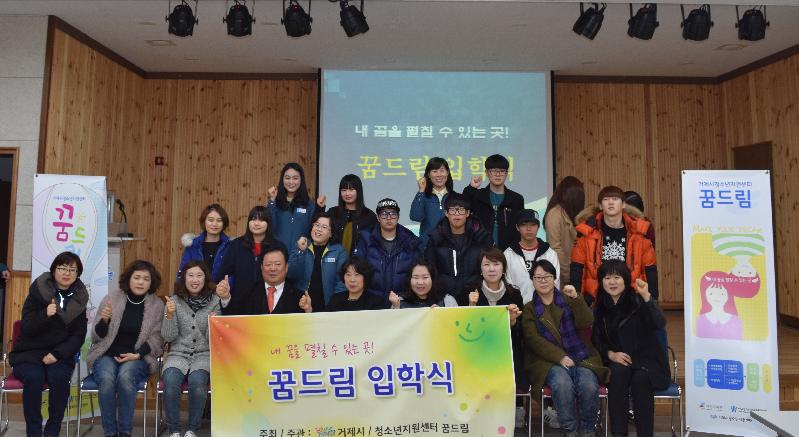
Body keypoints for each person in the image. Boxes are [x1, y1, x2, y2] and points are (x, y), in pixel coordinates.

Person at [522, 260, 608, 437]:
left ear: (554, 278)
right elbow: (533, 340)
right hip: (547, 361)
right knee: (562, 384)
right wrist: (560, 357)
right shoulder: (529, 309)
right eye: (538, 277)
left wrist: (577, 299)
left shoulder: (569, 299)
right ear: (532, 280)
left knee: (589, 385)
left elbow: (586, 322)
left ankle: (587, 430)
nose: (543, 281)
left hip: (579, 356)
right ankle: (570, 430)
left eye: (547, 276)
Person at [10, 252, 88, 437]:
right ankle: (34, 432)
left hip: (59, 355)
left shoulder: (79, 299)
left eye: (72, 270)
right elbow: (27, 327)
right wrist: (44, 314)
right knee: (34, 377)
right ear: (54, 270)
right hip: (29, 353)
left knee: (59, 377)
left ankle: (53, 430)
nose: (67, 273)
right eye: (62, 268)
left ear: (77, 274)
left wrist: (57, 354)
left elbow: (78, 336)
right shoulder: (38, 292)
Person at [592, 260, 669, 437]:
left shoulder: (637, 300)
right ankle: (619, 433)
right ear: (601, 281)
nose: (612, 282)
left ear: (625, 279)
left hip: (646, 359)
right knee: (617, 372)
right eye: (607, 278)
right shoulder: (600, 307)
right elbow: (597, 339)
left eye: (617, 277)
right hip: (619, 359)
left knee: (640, 379)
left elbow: (659, 323)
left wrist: (647, 297)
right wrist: (610, 354)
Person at [88, 260, 165, 437]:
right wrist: (104, 321)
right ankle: (110, 432)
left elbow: (158, 338)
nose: (140, 282)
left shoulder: (157, 305)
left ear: (151, 282)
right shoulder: (112, 298)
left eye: (146, 279)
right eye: (137, 277)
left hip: (138, 357)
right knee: (106, 379)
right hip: (107, 354)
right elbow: (96, 336)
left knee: (125, 377)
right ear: (129, 279)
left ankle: (125, 432)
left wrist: (137, 355)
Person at [161, 261, 220, 437]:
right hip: (177, 354)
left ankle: (192, 429)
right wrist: (169, 315)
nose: (195, 280)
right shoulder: (173, 301)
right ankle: (174, 430)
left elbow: (214, 340)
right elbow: (168, 337)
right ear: (184, 278)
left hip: (204, 354)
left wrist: (212, 324)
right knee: (170, 382)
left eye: (199, 275)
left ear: (205, 278)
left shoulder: (215, 301)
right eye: (191, 275)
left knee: (198, 383)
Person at [570, 185, 657, 305]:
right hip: (596, 300)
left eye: (615, 199)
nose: (610, 202)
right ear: (600, 206)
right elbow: (577, 270)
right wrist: (578, 302)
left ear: (623, 204)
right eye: (606, 199)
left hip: (631, 300)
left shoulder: (640, 234)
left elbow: (650, 271)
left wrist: (652, 303)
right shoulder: (586, 234)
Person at [466, 248, 525, 383]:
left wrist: (512, 321)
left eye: (496, 264)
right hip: (477, 352)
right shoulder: (469, 292)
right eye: (486, 265)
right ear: (480, 270)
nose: (491, 269)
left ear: (503, 269)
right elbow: (464, 329)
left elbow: (521, 334)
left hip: (507, 353)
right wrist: (471, 306)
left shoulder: (514, 294)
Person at [424, 193, 492, 305]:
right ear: (446, 213)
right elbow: (430, 269)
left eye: (461, 210)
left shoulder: (481, 237)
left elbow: (490, 266)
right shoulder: (436, 238)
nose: (456, 214)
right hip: (444, 298)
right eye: (452, 210)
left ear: (468, 213)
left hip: (476, 296)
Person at [213, 206, 287, 310]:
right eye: (253, 219)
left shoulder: (278, 247)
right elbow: (223, 274)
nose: (256, 223)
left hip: (270, 305)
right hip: (239, 304)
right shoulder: (236, 245)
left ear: (268, 223)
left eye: (261, 220)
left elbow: (284, 276)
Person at [353, 198, 421, 301]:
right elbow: (356, 271)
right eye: (384, 214)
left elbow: (418, 273)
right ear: (378, 218)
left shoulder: (410, 241)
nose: (389, 218)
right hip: (371, 302)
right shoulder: (365, 240)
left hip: (403, 302)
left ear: (398, 217)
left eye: (393, 214)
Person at [218, 245, 312, 315]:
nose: (273, 268)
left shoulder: (300, 297)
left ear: (286, 267)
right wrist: (225, 298)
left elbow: (307, 328)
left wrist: (308, 311)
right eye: (268, 264)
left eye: (278, 264)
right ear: (261, 267)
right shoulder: (248, 293)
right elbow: (231, 319)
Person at [287, 211, 347, 312]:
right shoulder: (302, 245)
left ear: (331, 233)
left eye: (324, 227)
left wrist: (334, 303)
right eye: (317, 225)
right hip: (301, 302)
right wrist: (300, 251)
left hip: (328, 305)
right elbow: (291, 274)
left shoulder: (338, 251)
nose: (319, 229)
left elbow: (342, 282)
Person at [462, 154, 524, 250]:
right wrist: (471, 188)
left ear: (506, 173)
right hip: (481, 250)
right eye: (494, 171)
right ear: (487, 173)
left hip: (509, 252)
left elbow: (520, 227)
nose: (498, 174)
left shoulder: (516, 199)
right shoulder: (478, 196)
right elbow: (463, 206)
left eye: (502, 171)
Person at [504, 209, 561, 304]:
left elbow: (555, 282)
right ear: (517, 227)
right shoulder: (508, 254)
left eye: (533, 224)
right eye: (524, 225)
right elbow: (507, 285)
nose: (529, 229)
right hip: (517, 308)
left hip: (545, 308)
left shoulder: (550, 254)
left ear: (538, 227)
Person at [266, 162, 324, 249]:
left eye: (295, 178)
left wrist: (320, 208)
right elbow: (269, 226)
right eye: (287, 178)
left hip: (301, 254)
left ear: (301, 180)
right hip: (278, 253)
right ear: (282, 180)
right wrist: (272, 201)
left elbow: (315, 231)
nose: (291, 182)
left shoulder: (309, 204)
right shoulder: (275, 202)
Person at [543, 176, 585, 289]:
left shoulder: (570, 213)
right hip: (564, 276)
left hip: (575, 273)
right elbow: (555, 248)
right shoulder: (555, 215)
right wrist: (568, 275)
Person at [695, 270, 759, 340]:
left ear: (728, 295)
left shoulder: (736, 320)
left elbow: (738, 341)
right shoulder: (701, 320)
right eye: (711, 293)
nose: (717, 297)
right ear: (704, 294)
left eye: (722, 294)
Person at [325, 174, 378, 256]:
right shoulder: (333, 212)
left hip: (359, 262)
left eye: (351, 189)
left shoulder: (369, 216)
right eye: (344, 190)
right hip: (334, 260)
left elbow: (374, 243)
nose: (347, 193)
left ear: (358, 191)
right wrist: (319, 208)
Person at [177, 203, 231, 279]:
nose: (214, 224)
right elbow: (182, 273)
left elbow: (234, 274)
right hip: (196, 287)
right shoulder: (193, 246)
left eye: (219, 220)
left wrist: (225, 285)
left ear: (224, 223)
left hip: (222, 286)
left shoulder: (230, 247)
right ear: (204, 221)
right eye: (210, 220)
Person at [410, 157, 453, 249]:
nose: (439, 175)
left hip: (450, 247)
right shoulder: (423, 196)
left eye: (442, 171)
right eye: (434, 171)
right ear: (428, 175)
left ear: (447, 173)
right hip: (427, 247)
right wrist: (421, 191)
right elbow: (415, 217)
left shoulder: (454, 197)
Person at [323, 257, 388, 312]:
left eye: (357, 275)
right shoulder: (335, 299)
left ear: (366, 277)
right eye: (348, 275)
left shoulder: (375, 302)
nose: (352, 280)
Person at [389, 260, 457, 309]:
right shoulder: (399, 301)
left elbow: (457, 323)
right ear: (409, 279)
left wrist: (442, 315)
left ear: (433, 279)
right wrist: (396, 308)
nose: (420, 282)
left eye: (425, 277)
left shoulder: (447, 301)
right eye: (415, 277)